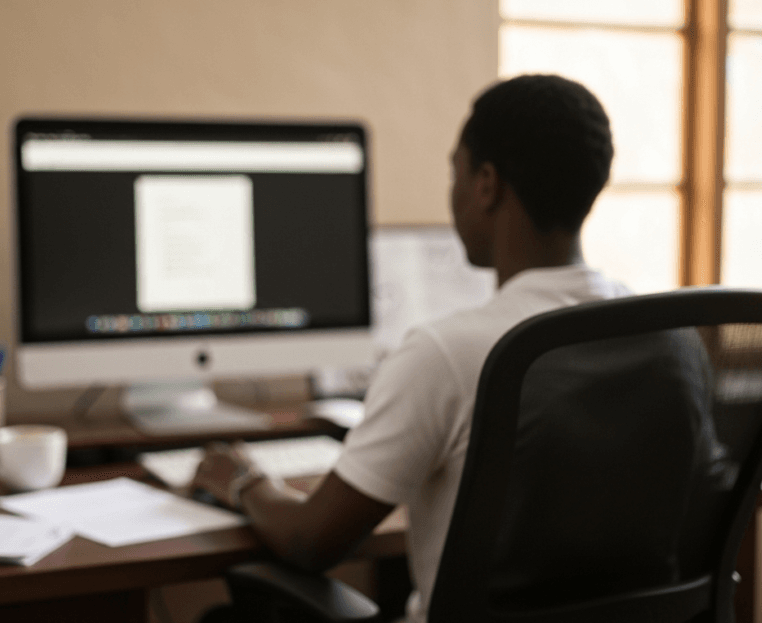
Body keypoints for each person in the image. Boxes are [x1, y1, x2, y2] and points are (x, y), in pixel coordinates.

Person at [191, 74, 630, 622]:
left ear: (486, 184)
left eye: (455, 171)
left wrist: (241, 479)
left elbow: (311, 542)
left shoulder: (448, 353)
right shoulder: (663, 335)